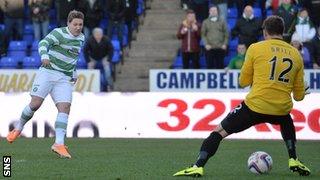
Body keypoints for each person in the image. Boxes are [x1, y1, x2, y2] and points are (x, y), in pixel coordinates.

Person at [173, 15, 311, 177]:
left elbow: (243, 81)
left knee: (218, 132)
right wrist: (302, 89)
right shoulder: (296, 55)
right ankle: (293, 159)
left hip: (255, 106)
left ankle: (198, 166)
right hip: (280, 108)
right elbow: (299, 97)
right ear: (281, 32)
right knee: (286, 119)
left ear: (265, 32)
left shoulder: (255, 48)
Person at [6, 10, 85, 159]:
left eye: (81, 24)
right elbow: (43, 43)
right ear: (68, 23)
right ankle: (18, 128)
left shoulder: (81, 38)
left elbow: (73, 56)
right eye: (75, 24)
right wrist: (44, 56)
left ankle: (59, 144)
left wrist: (73, 71)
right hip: (48, 72)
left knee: (65, 108)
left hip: (64, 78)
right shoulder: (59, 33)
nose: (78, 27)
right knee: (35, 104)